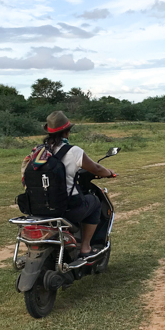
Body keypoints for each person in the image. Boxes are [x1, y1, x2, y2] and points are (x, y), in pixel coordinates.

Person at [42, 110, 116, 258]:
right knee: (94, 202)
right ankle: (86, 247)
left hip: (40, 206)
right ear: (67, 132)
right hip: (66, 207)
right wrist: (109, 172)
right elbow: (95, 168)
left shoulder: (40, 151)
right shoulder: (73, 151)